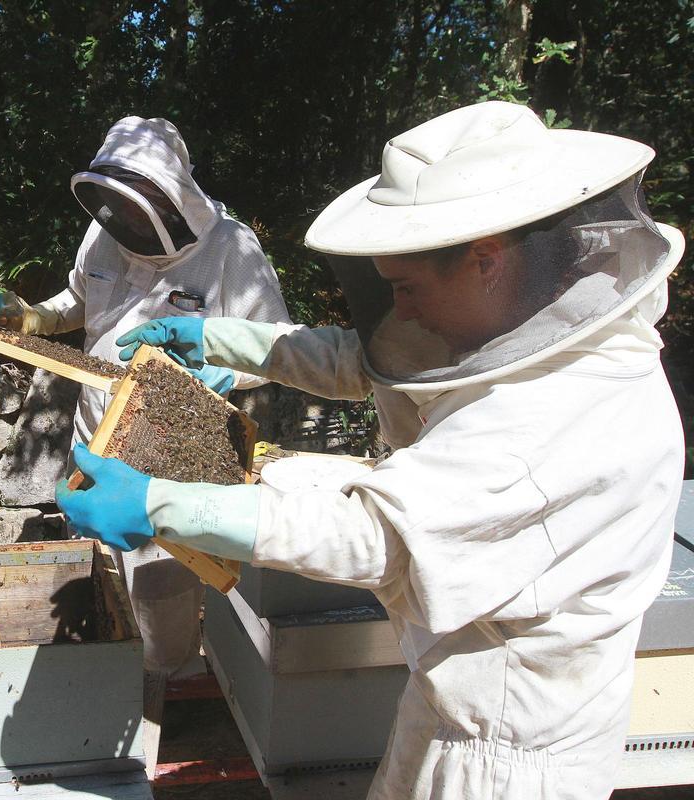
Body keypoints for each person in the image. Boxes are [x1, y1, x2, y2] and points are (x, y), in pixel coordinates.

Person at [56, 101, 686, 799]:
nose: (402, 311)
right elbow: (373, 359)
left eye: (405, 288)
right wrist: (217, 339)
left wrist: (161, 502)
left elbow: (373, 536)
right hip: (459, 700)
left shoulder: (557, 414)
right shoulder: (528, 322)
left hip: (506, 760)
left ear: (487, 260)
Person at [0, 116, 290, 678]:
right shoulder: (104, 234)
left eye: (139, 208)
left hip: (170, 450)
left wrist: (223, 373)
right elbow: (78, 300)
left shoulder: (232, 249)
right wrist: (38, 316)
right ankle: (119, 685)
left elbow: (275, 349)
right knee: (104, 577)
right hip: (96, 433)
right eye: (118, 207)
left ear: (173, 197)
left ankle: (168, 694)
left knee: (161, 589)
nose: (126, 221)